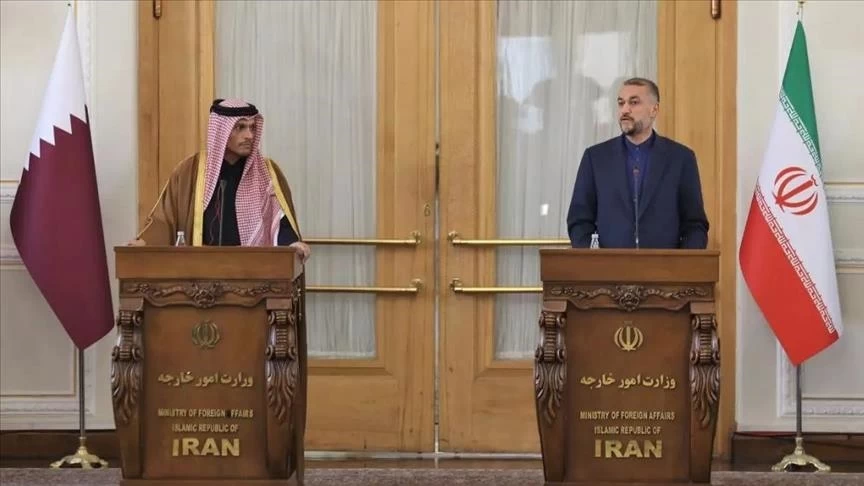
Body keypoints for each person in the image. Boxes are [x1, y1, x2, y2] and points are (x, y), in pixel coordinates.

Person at [133, 98, 311, 261]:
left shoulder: (267, 172)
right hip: (202, 269)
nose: (249, 135)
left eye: (252, 127)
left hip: (254, 269)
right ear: (221, 131)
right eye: (240, 127)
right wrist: (145, 242)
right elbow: (166, 218)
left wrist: (291, 243)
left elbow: (280, 222)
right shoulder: (191, 171)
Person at [566, 77, 709, 249]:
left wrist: (684, 261)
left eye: (634, 102)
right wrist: (592, 259)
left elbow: (694, 225)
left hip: (664, 265)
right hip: (608, 264)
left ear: (654, 110)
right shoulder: (596, 158)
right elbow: (579, 221)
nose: (625, 110)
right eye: (621, 103)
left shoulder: (681, 158)